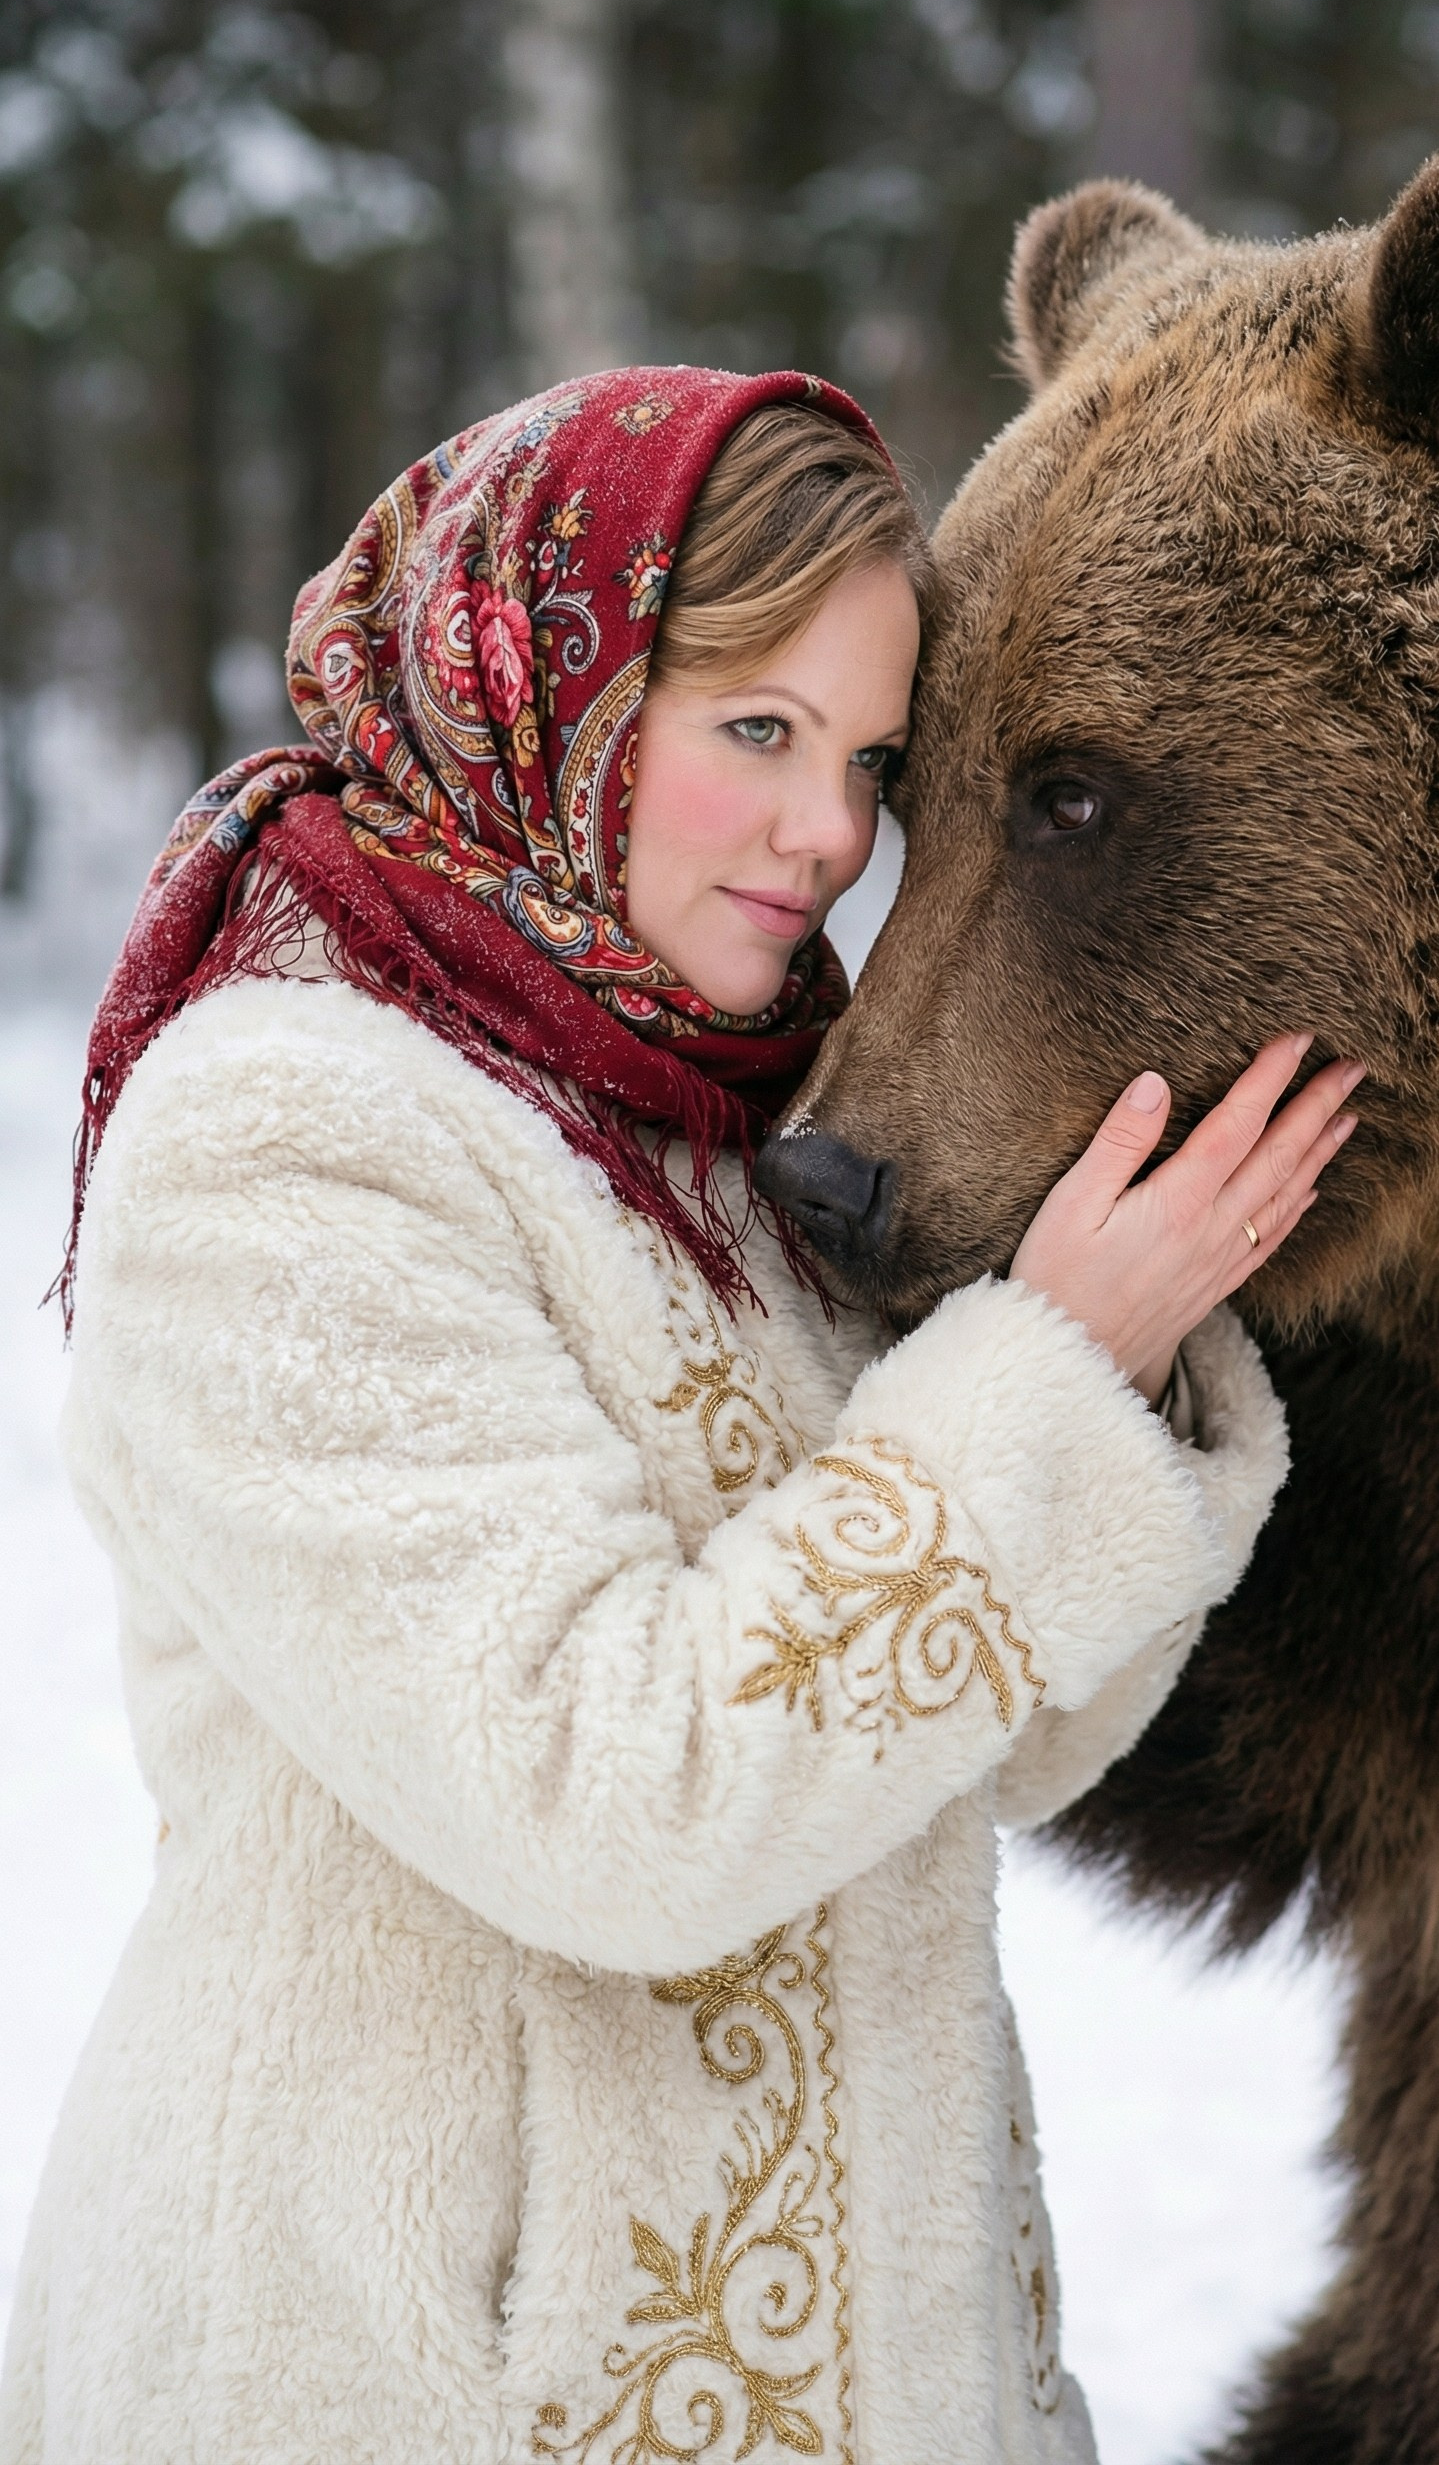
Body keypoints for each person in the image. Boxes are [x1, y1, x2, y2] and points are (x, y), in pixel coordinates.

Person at [0, 368, 1359, 2465]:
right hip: (416, 2381)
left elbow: (1005, 1736)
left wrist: (1114, 1331)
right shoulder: (285, 1137)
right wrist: (1049, 1363)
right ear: (538, 678)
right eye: (756, 730)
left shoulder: (728, 1124)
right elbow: (605, 1796)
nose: (829, 835)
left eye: (868, 763)